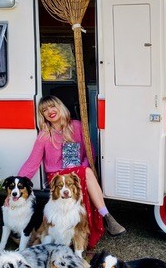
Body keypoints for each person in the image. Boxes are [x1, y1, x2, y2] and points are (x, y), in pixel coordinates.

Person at [17, 95, 126, 240]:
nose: (50, 111)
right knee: (85, 172)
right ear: (42, 115)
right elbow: (32, 163)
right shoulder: (44, 135)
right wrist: (17, 187)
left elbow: (90, 154)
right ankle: (106, 215)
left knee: (85, 171)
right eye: (44, 110)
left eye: (52, 106)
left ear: (59, 106)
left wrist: (80, 168)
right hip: (56, 176)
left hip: (78, 170)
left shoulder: (77, 125)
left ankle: (104, 217)